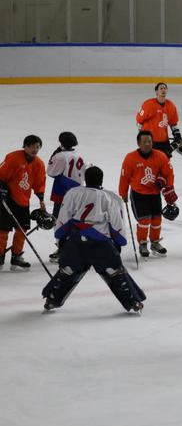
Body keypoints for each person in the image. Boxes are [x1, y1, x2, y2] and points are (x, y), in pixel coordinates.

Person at [42, 166, 146, 313]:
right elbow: (117, 224)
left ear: (85, 178)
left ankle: (52, 299)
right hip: (101, 243)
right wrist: (119, 242)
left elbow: (64, 218)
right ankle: (133, 301)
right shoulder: (110, 197)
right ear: (101, 180)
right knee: (115, 271)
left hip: (76, 241)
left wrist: (61, 238)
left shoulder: (73, 193)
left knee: (68, 270)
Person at [119, 130, 177, 258]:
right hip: (138, 194)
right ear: (138, 143)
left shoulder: (161, 156)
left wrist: (169, 187)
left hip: (154, 194)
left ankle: (155, 243)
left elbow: (169, 173)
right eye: (144, 142)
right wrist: (123, 192)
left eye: (150, 141)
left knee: (156, 220)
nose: (147, 144)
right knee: (144, 220)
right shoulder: (130, 158)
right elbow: (124, 177)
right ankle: (143, 243)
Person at [0, 135, 47, 269]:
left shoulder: (39, 164)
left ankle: (16, 256)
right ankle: (0, 256)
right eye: (32, 146)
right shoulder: (13, 157)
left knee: (22, 229)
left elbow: (39, 183)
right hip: (7, 199)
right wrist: (2, 190)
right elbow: (1, 175)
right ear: (25, 146)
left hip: (23, 200)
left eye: (37, 147)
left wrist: (41, 199)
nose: (35, 149)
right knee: (3, 229)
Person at [46, 131, 87, 263]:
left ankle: (62, 248)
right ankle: (74, 248)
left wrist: (54, 155)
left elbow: (51, 172)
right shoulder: (80, 156)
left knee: (59, 221)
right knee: (74, 221)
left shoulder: (60, 156)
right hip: (77, 193)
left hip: (62, 193)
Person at [136, 82, 182, 159]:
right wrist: (142, 138)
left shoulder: (171, 105)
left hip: (164, 141)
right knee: (152, 164)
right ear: (156, 92)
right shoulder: (148, 104)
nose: (163, 90)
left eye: (165, 88)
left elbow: (173, 123)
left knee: (166, 164)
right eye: (161, 88)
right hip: (151, 141)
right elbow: (139, 121)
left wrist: (177, 136)